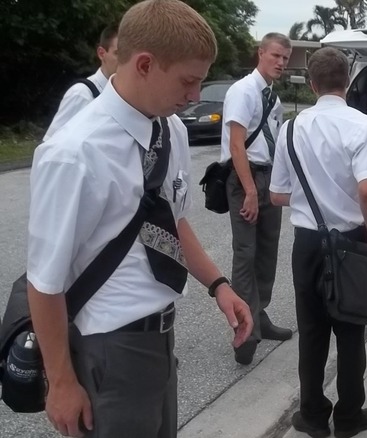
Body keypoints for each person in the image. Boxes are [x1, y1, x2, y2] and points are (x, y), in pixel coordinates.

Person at [26, 1, 253, 437]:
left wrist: (219, 285)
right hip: (109, 350)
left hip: (159, 340)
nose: (193, 96)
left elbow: (172, 222)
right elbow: (44, 282)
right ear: (145, 64)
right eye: (188, 82)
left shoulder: (171, 132)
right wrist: (61, 383)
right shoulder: (75, 152)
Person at [270, 46, 367, 438]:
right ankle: (350, 414)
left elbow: (276, 195)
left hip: (306, 243)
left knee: (312, 331)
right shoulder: (363, 126)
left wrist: (311, 197)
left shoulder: (289, 128)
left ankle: (313, 414)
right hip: (350, 240)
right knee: (351, 331)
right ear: (348, 80)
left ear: (311, 82)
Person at [221, 32, 293, 365]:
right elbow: (237, 145)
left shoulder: (272, 99)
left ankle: (259, 312)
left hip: (267, 176)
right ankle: (244, 328)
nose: (280, 62)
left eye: (285, 59)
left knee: (267, 250)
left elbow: (274, 144)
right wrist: (250, 191)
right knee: (245, 254)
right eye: (275, 56)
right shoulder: (243, 91)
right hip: (245, 177)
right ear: (260, 54)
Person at [43, 25, 119, 141]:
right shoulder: (81, 94)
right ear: (101, 53)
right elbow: (50, 145)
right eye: (118, 53)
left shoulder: (127, 96)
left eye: (129, 55)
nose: (125, 61)